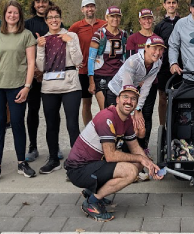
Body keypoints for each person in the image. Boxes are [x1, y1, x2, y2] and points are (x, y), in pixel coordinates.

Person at [65, 85, 163, 222]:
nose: (129, 101)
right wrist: (141, 158)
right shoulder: (107, 117)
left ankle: (92, 190)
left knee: (138, 164)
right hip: (78, 170)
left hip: (94, 163)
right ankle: (92, 202)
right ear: (117, 99)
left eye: (133, 99)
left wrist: (150, 164)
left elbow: (135, 147)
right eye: (125, 97)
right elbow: (111, 155)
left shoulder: (127, 119)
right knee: (130, 171)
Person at [0, 0, 37, 184]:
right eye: (9, 13)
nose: (12, 16)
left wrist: (27, 87)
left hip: (17, 86)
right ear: (4, 15)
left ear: (20, 15)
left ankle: (22, 163)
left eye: (15, 13)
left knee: (17, 122)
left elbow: (31, 63)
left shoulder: (27, 35)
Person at [36, 5, 83, 174]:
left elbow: (78, 59)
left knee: (72, 124)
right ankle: (53, 158)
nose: (54, 20)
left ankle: (77, 160)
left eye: (56, 16)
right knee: (51, 124)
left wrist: (70, 43)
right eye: (50, 17)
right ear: (46, 20)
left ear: (61, 18)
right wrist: (40, 47)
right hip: (49, 86)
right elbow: (40, 66)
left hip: (70, 84)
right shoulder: (43, 39)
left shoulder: (71, 35)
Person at [106, 36, 165, 160]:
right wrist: (133, 113)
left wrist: (138, 109)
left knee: (140, 129)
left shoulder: (158, 63)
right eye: (154, 48)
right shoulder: (133, 61)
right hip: (116, 93)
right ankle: (115, 158)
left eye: (160, 49)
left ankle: (139, 158)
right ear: (146, 47)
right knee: (119, 128)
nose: (158, 52)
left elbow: (146, 88)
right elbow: (126, 89)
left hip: (132, 94)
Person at [23, 0, 63, 162]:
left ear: (48, 3)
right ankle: (32, 146)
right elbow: (22, 49)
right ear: (34, 4)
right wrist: (34, 72)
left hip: (52, 75)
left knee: (53, 112)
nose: (41, 4)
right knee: (32, 111)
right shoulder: (26, 24)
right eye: (38, 2)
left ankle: (55, 146)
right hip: (33, 76)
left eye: (44, 2)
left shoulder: (56, 23)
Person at [124, 9, 162, 156]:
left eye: (149, 18)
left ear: (152, 20)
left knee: (146, 115)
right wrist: (136, 82)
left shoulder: (157, 38)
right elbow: (128, 62)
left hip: (151, 83)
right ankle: (132, 148)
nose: (147, 21)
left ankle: (144, 147)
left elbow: (158, 60)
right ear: (139, 21)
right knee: (131, 115)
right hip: (133, 85)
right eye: (144, 19)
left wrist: (145, 80)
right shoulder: (133, 38)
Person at [68, 0, 106, 126]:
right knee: (86, 103)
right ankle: (89, 132)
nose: (89, 9)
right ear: (82, 10)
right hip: (84, 70)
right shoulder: (76, 27)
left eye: (92, 6)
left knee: (105, 103)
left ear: (95, 8)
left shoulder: (104, 24)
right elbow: (67, 44)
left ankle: (105, 132)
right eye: (86, 7)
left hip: (102, 69)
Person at [87, 6, 128, 109]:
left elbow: (125, 57)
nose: (115, 19)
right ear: (106, 18)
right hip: (101, 75)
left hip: (117, 75)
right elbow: (91, 59)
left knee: (118, 110)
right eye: (112, 16)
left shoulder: (123, 35)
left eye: (118, 16)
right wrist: (91, 82)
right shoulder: (99, 35)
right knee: (105, 111)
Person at [154, 0, 181, 127]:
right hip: (164, 67)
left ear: (177, 5)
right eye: (168, 2)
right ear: (164, 5)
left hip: (180, 66)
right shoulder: (159, 26)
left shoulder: (183, 23)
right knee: (163, 97)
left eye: (173, 2)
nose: (171, 5)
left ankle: (179, 125)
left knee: (179, 98)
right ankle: (162, 127)